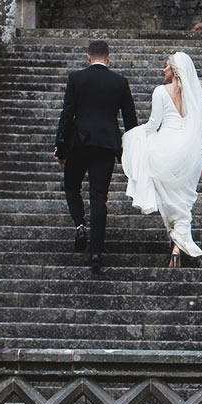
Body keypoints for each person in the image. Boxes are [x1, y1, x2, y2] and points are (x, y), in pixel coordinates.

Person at [122, 49, 202, 266]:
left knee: (169, 199)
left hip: (166, 149)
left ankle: (177, 243)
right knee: (183, 202)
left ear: (174, 69)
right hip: (191, 154)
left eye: (166, 65)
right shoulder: (199, 97)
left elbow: (153, 124)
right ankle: (177, 245)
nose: (163, 69)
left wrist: (132, 136)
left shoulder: (161, 91)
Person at [54, 38, 138, 273]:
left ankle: (80, 225)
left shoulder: (76, 79)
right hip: (106, 145)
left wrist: (60, 147)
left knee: (71, 186)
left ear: (88, 57)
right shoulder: (119, 82)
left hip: (79, 143)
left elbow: (67, 115)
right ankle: (96, 253)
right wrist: (130, 152)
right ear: (109, 58)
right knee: (99, 197)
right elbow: (131, 122)